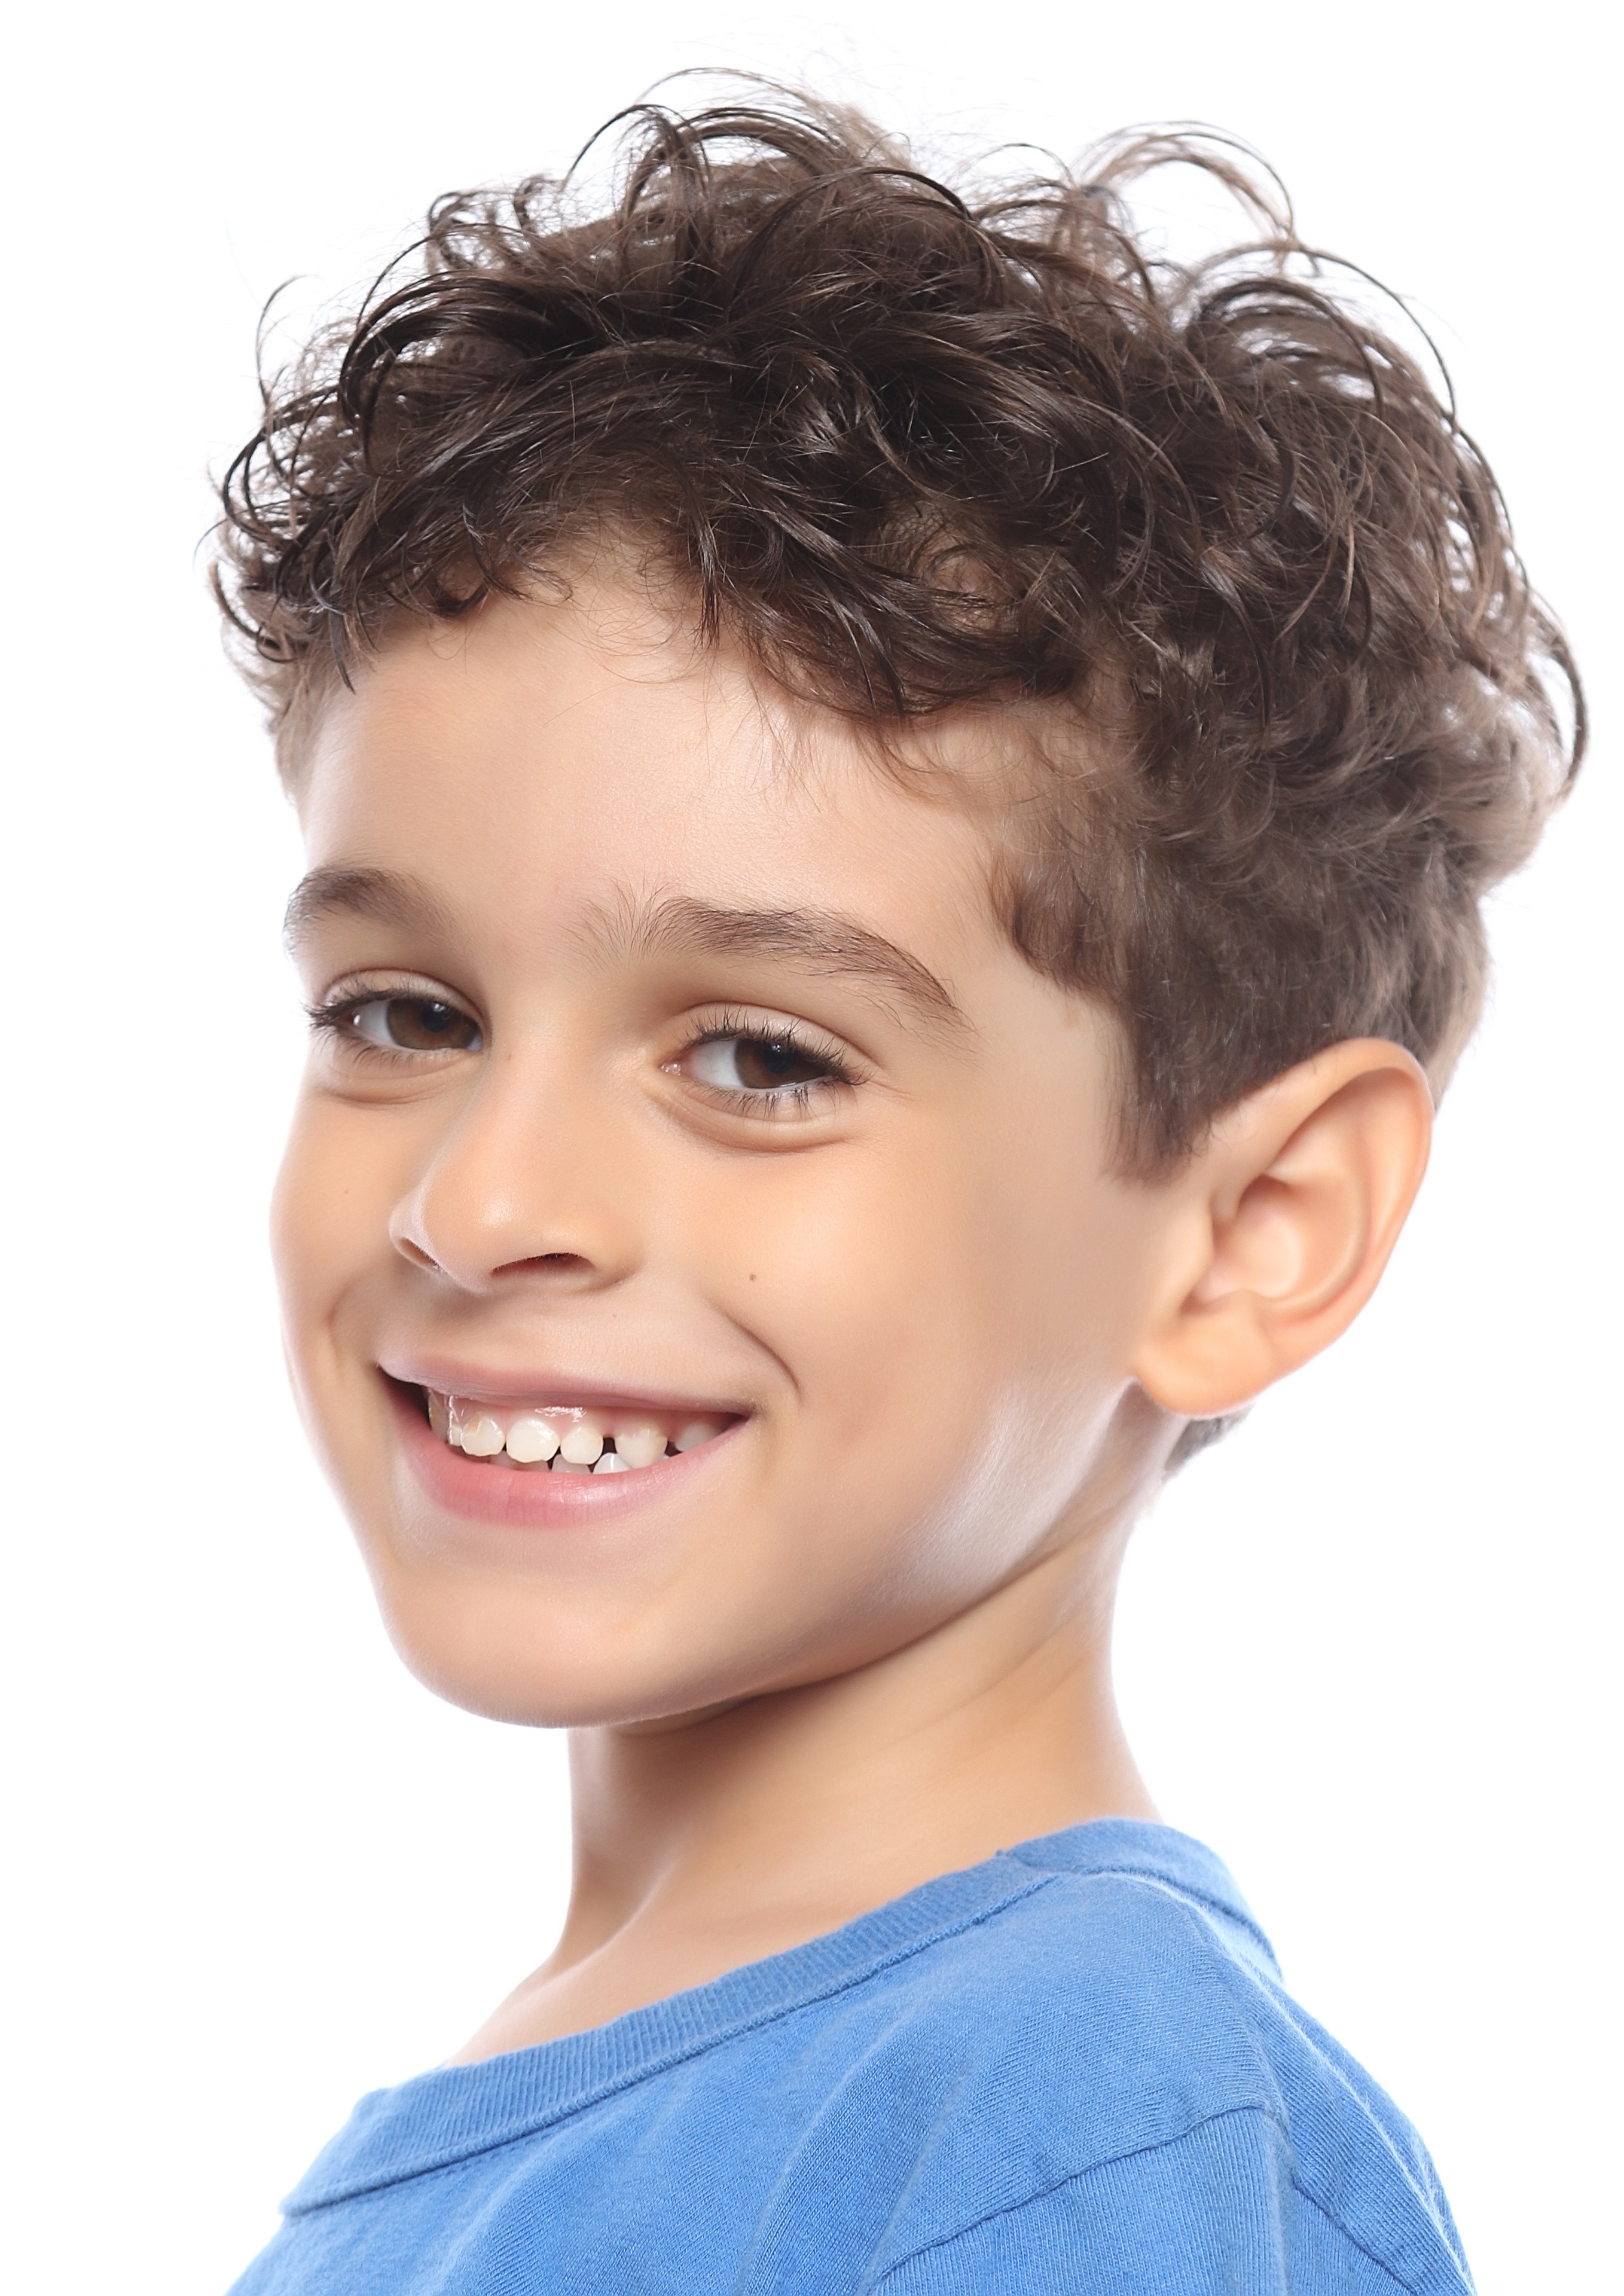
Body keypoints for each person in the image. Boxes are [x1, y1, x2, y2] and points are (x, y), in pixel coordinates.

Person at [215, 93, 1580, 2293]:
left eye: (761, 1058)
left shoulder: (1064, 2127)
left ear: (1253, 1233)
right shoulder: (653, 2106)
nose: (477, 1203)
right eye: (405, 1013)